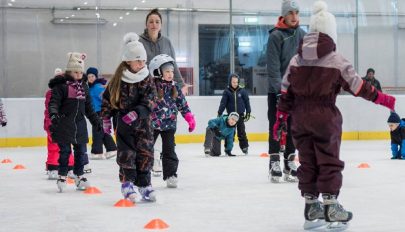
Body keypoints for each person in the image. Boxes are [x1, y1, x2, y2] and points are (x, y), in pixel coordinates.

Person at [272, 1, 396, 230]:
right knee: (328, 160)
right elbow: (359, 87)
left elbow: (285, 92)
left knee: (307, 160)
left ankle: (311, 207)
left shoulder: (296, 60)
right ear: (331, 32)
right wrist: (385, 99)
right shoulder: (336, 59)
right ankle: (331, 206)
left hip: (299, 118)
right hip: (324, 119)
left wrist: (280, 118)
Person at [101, 33, 157, 203]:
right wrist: (105, 118)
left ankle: (145, 185)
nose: (142, 64)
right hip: (123, 125)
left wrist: (138, 112)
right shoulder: (118, 80)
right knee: (127, 154)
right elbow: (108, 99)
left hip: (144, 124)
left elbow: (151, 99)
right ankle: (127, 184)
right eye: (138, 60)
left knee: (145, 153)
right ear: (128, 61)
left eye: (143, 61)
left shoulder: (147, 78)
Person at [48, 52, 102, 192]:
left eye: (80, 72)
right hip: (64, 124)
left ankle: (79, 175)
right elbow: (54, 103)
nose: (78, 75)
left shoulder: (84, 87)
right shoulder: (61, 87)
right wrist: (54, 115)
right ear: (69, 72)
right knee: (65, 152)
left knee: (81, 152)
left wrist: (96, 121)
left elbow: (89, 107)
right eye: (75, 72)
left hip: (80, 124)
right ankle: (62, 175)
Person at [266, 0, 306, 183]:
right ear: (284, 15)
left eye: (296, 13)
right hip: (277, 92)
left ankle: (289, 162)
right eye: (290, 13)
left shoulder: (303, 35)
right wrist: (278, 92)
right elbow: (273, 68)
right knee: (276, 126)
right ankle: (274, 161)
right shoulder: (275, 36)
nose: (294, 17)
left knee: (293, 127)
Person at [149, 54, 196, 188]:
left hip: (169, 125)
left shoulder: (174, 88)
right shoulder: (152, 87)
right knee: (146, 148)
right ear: (158, 72)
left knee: (169, 150)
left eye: (172, 71)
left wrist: (189, 118)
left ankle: (171, 175)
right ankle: (143, 173)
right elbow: (144, 104)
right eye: (167, 71)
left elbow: (183, 105)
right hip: (152, 124)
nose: (170, 74)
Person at [139, 8, 190, 95]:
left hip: (163, 89)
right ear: (146, 24)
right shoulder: (139, 42)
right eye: (151, 22)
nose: (154, 24)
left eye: (157, 22)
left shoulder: (167, 42)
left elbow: (173, 65)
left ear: (161, 25)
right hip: (144, 88)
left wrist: (181, 84)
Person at [44, 68, 75, 180]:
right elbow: (49, 110)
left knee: (67, 147)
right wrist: (50, 124)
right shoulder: (51, 93)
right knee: (54, 146)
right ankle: (53, 168)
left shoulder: (69, 92)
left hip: (66, 125)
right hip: (53, 124)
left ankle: (70, 167)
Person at [86, 67, 117, 160]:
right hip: (95, 112)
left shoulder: (98, 87)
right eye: (89, 76)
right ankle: (112, 149)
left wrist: (107, 109)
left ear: (96, 77)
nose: (91, 78)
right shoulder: (91, 87)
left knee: (97, 131)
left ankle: (97, 152)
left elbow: (106, 99)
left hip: (100, 112)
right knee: (102, 131)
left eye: (92, 76)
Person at [217, 73, 251, 155]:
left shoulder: (242, 91)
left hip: (240, 115)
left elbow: (247, 101)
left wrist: (248, 112)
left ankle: (244, 147)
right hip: (231, 116)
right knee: (230, 133)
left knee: (241, 131)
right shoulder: (227, 92)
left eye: (236, 82)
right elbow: (223, 103)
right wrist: (219, 112)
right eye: (233, 82)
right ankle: (227, 148)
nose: (235, 84)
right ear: (230, 82)